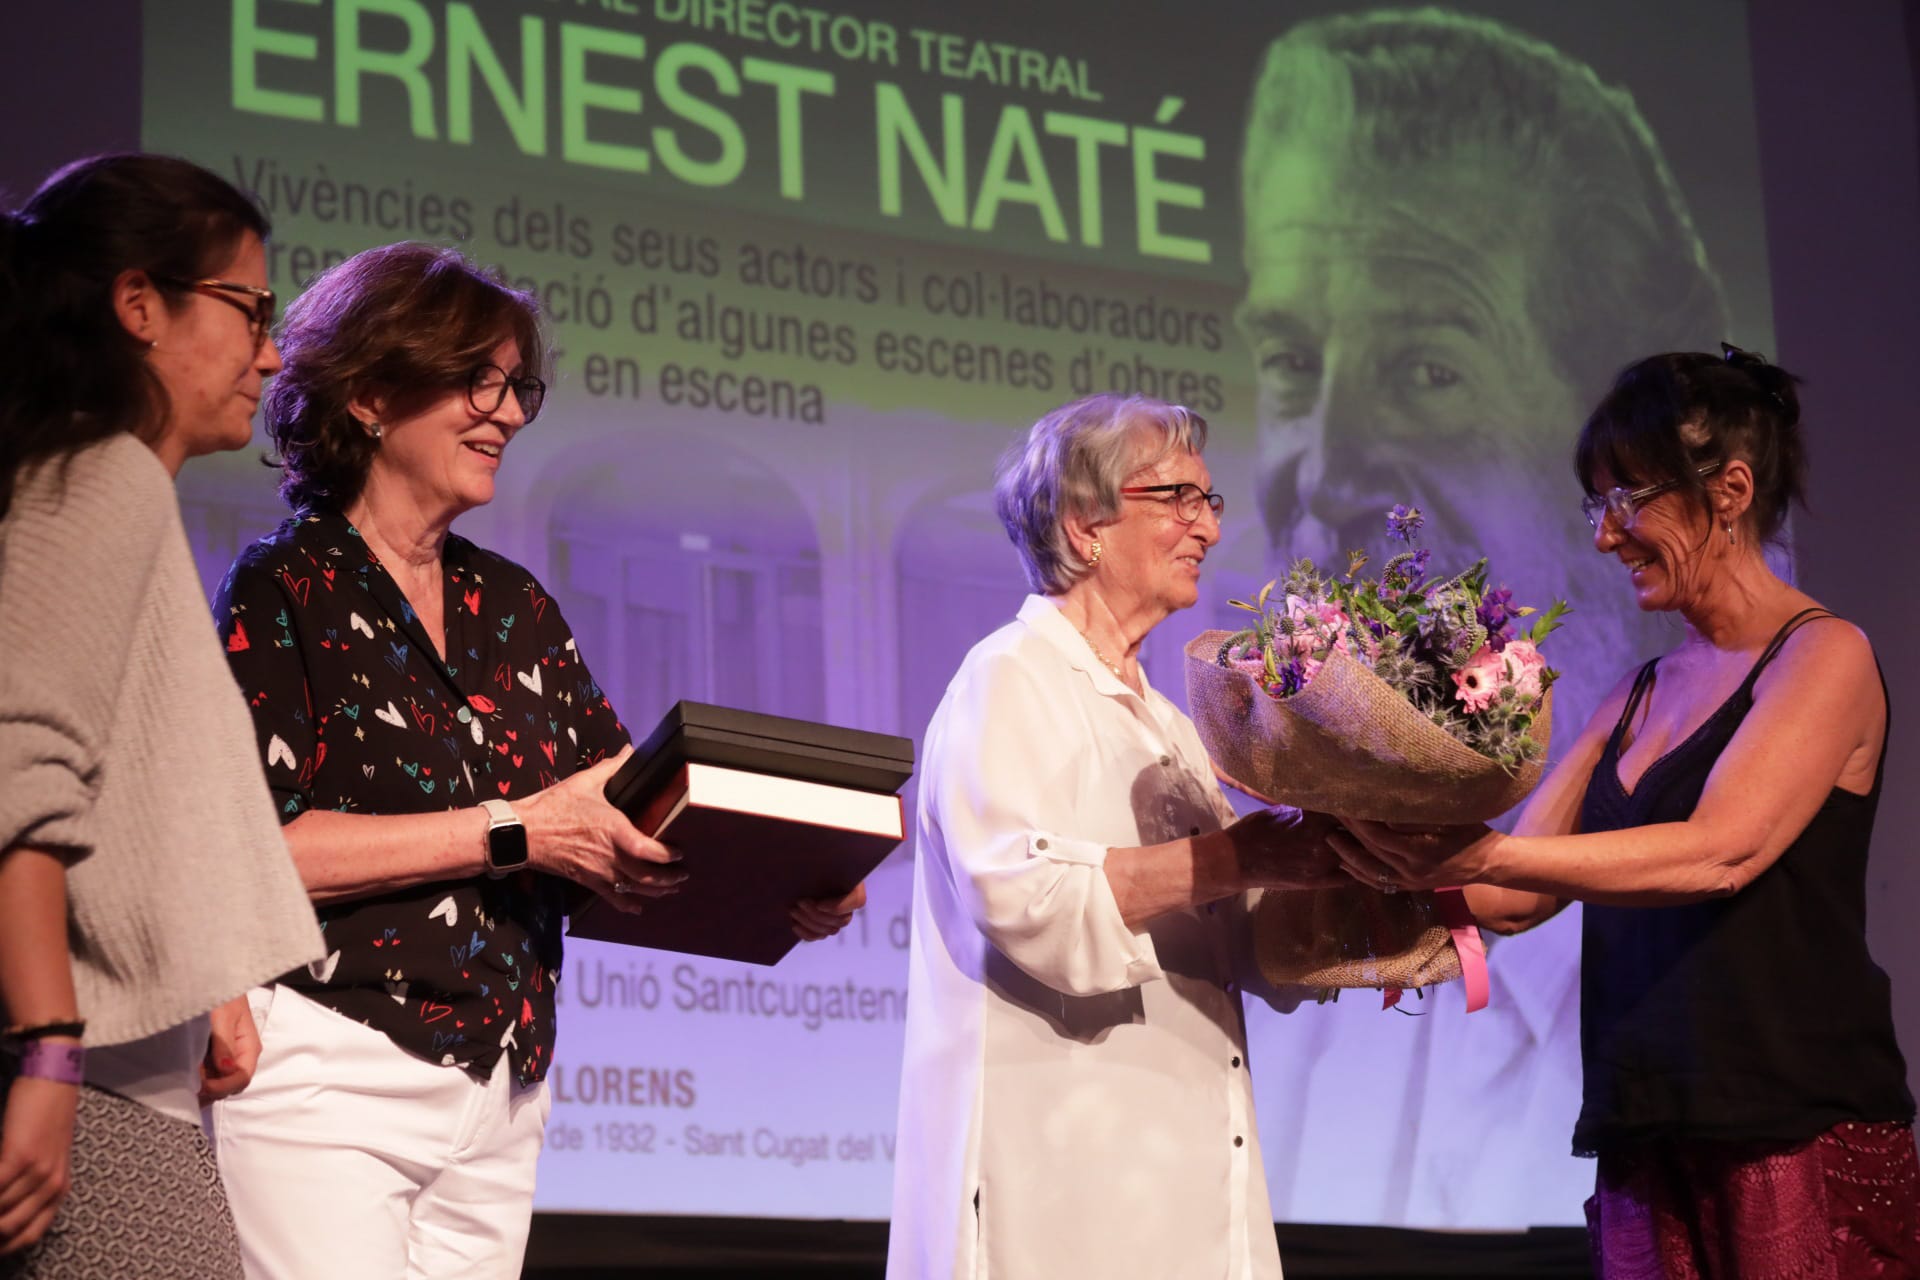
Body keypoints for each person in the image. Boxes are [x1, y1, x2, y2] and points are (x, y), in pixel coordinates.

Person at [207, 241, 864, 1279]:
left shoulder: (509, 604)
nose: (509, 412)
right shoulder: (287, 584)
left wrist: (781, 875)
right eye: (478, 379)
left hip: (504, 1086)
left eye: (519, 386)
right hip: (332, 1063)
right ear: (374, 392)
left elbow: (617, 809)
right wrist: (514, 828)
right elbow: (258, 849)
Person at [1232, 8, 1733, 1225]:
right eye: (1293, 363)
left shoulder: (1690, 962)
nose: (1331, 470)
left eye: (1428, 370)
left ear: (1617, 463)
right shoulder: (1264, 950)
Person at [1335, 348, 1918, 1276]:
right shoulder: (1636, 692)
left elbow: (1720, 852)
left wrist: (1484, 860)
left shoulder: (1824, 655)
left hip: (1794, 1130)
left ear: (1729, 490)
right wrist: (1367, 838)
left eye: (1627, 500)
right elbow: (1518, 895)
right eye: (1596, 507)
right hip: (1647, 1128)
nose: (1606, 538)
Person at [886, 393, 1345, 1279]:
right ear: (1084, 525)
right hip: (1063, 1175)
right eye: (1178, 498)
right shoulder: (1009, 680)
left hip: (1189, 1169)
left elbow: (1231, 935)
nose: (1206, 526)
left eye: (1209, 502)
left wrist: (1355, 867)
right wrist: (1238, 856)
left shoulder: (1171, 726)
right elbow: (1027, 898)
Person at [0, 154, 322, 1277]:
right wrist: (48, 1052)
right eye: (249, 309)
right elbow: (17, 776)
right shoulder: (104, 475)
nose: (270, 353)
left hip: (122, 1076)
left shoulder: (90, 477)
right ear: (139, 304)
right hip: (90, 1089)